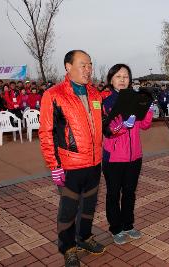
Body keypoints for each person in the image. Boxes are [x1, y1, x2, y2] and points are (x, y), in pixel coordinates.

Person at [39, 50, 105, 267]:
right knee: (68, 210)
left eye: (90, 65)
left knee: (89, 206)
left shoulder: (95, 94)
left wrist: (118, 125)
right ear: (68, 67)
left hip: (94, 163)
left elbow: (101, 124)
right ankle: (67, 247)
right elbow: (46, 132)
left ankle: (84, 238)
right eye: (83, 65)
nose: (88, 69)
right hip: (69, 165)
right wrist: (53, 164)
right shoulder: (54, 94)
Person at [101, 63, 153, 245]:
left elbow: (145, 126)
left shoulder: (136, 99)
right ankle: (115, 228)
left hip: (134, 156)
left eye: (125, 76)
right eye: (118, 76)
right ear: (111, 80)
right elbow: (106, 129)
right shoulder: (106, 102)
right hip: (114, 157)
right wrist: (122, 126)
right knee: (113, 194)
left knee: (130, 192)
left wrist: (148, 111)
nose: (122, 80)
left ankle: (128, 225)